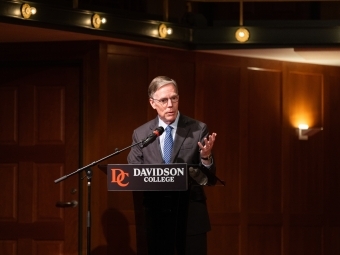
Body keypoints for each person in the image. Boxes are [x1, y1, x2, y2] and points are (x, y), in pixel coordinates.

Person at [127, 76, 217, 255]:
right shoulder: (142, 133)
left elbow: (210, 179)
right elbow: (133, 171)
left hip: (190, 215)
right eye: (163, 100)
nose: (170, 104)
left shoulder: (197, 129)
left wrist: (206, 157)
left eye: (174, 98)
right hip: (156, 216)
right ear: (152, 103)